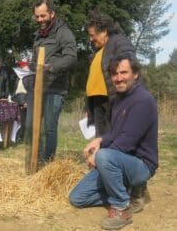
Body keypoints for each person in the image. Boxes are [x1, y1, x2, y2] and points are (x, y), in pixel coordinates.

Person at [69, 54, 158, 230]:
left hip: (141, 164)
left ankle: (121, 208)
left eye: (123, 72)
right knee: (77, 198)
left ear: (136, 74)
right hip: (119, 161)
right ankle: (130, 192)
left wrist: (99, 155)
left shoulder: (143, 100)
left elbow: (127, 142)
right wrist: (99, 139)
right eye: (114, 74)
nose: (118, 78)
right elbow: (116, 133)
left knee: (104, 156)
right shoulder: (119, 99)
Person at [85, 11, 148, 212]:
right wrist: (90, 108)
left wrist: (128, 100)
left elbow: (129, 63)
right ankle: (111, 186)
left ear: (103, 31)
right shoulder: (99, 51)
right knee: (103, 144)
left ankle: (137, 191)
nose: (90, 38)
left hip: (113, 103)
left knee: (123, 143)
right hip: (99, 104)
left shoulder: (119, 41)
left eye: (92, 34)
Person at [26, 0, 77, 169]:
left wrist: (51, 67)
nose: (40, 20)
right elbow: (36, 60)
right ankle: (35, 161)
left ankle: (47, 165)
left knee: (49, 128)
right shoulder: (38, 35)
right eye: (37, 17)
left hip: (55, 88)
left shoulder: (63, 32)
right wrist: (29, 66)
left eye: (43, 16)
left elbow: (71, 57)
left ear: (52, 13)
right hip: (38, 86)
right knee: (32, 126)